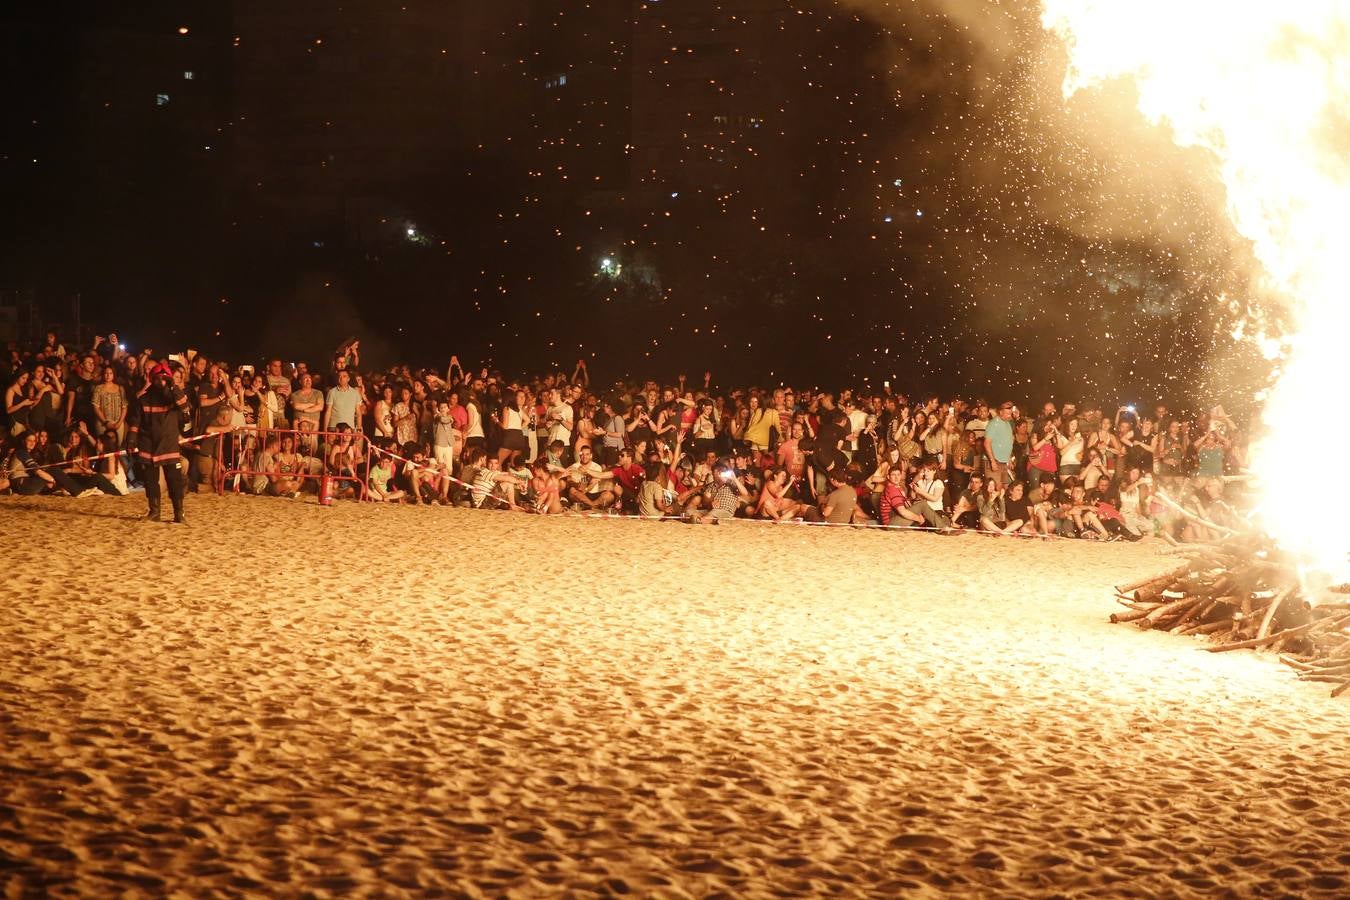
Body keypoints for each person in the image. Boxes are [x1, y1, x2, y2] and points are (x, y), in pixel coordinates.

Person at [129, 363, 192, 522]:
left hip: (169, 444)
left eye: (165, 379)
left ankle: (179, 513)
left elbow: (185, 406)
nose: (161, 382)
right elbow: (135, 422)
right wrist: (131, 440)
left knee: (174, 481)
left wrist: (173, 387)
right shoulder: (143, 400)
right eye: (158, 378)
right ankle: (154, 512)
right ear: (152, 379)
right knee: (150, 481)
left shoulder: (174, 398)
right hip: (148, 445)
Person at [984, 401, 1014, 487]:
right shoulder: (994, 424)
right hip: (995, 462)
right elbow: (987, 443)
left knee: (1005, 489)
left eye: (1010, 413)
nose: (1009, 415)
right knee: (996, 488)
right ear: (1000, 412)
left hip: (1004, 463)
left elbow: (1007, 441)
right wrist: (992, 461)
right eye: (1007, 413)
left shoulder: (1007, 424)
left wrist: (1008, 459)